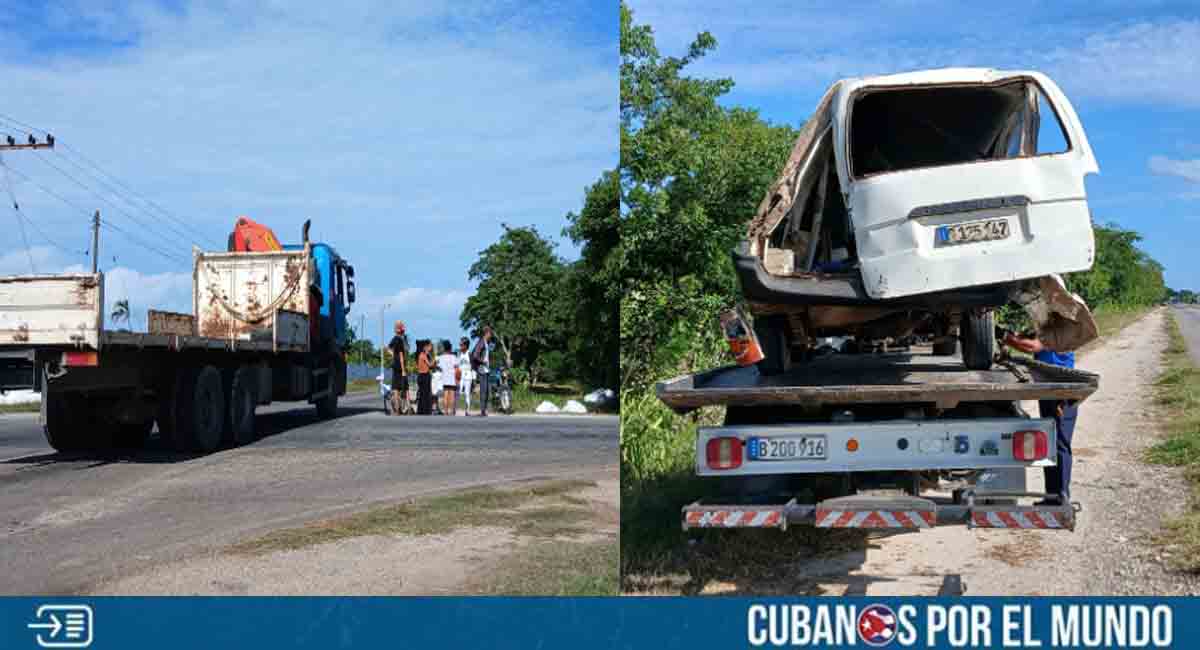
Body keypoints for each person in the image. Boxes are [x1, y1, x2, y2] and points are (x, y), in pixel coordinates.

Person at [1004, 330, 1079, 505]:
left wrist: (1007, 338)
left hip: (1061, 391)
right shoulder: (1050, 329)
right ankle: (1052, 496)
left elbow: (1033, 346)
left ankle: (1061, 496)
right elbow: (1031, 340)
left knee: (1060, 444)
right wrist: (1016, 335)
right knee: (1051, 443)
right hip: (1051, 390)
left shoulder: (1060, 331)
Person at [471, 326, 493, 417]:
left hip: (486, 369)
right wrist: (483, 361)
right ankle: (482, 410)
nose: (491, 335)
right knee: (484, 390)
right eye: (490, 333)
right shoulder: (481, 343)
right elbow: (475, 355)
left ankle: (484, 409)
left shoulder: (486, 343)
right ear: (486, 333)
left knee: (487, 390)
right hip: (482, 369)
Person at [387, 321, 409, 415]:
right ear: (401, 330)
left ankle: (396, 409)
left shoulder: (394, 339)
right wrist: (403, 369)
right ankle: (399, 408)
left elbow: (388, 348)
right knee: (402, 387)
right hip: (400, 366)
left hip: (394, 365)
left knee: (395, 388)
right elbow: (401, 355)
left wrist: (393, 355)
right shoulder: (400, 340)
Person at [437, 339, 458, 416]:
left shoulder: (441, 357)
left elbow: (439, 367)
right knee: (452, 395)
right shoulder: (454, 357)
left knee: (445, 394)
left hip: (445, 378)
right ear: (450, 348)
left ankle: (445, 411)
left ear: (444, 348)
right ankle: (452, 411)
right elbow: (456, 368)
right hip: (452, 378)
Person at [416, 339, 434, 415]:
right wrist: (435, 360)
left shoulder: (423, 355)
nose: (431, 348)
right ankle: (425, 410)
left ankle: (422, 410)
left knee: (423, 394)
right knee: (425, 394)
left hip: (422, 376)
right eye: (430, 346)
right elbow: (430, 365)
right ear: (425, 347)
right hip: (424, 376)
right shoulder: (423, 355)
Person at [457, 337, 474, 416]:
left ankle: (467, 410)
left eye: (461, 345)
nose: (460, 346)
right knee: (459, 392)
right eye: (460, 345)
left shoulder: (469, 354)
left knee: (467, 393)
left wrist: (474, 378)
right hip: (461, 375)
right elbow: (457, 365)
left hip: (468, 375)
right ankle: (456, 408)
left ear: (466, 346)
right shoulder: (459, 354)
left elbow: (473, 366)